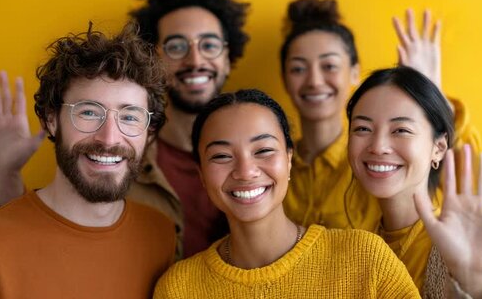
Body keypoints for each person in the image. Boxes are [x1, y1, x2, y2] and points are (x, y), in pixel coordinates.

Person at [0, 0, 250, 258]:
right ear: (154, 57)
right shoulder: (108, 156)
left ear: (228, 56)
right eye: (176, 46)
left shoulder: (257, 162)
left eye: (210, 45)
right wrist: (6, 176)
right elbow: (45, 245)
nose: (196, 60)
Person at [0, 23, 176, 299]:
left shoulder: (160, 234)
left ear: (149, 132)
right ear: (51, 120)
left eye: (130, 117)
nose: (109, 139)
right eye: (88, 113)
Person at [153, 89, 420, 298]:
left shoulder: (365, 258)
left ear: (289, 159)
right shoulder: (179, 287)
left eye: (263, 151)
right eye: (222, 156)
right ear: (201, 174)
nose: (246, 171)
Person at [280, 0, 480, 231]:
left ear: (355, 73)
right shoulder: (276, 164)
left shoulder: (375, 159)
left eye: (329, 66)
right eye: (298, 69)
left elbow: (466, 185)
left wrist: (430, 94)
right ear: (284, 78)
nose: (314, 81)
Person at [346, 67, 482, 297]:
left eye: (401, 130)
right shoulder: (351, 249)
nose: (378, 146)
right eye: (363, 128)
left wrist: (477, 284)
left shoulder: (469, 244)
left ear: (439, 148)